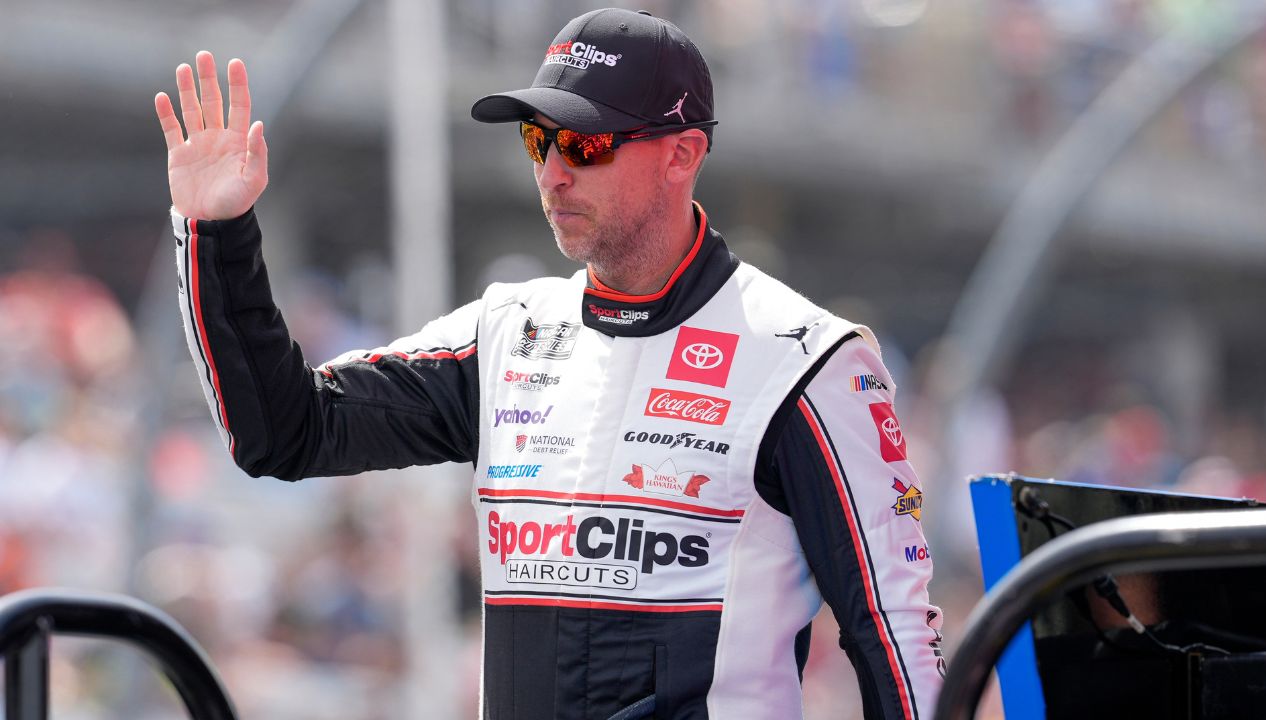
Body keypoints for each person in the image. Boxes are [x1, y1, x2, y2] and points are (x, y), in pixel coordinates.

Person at [154, 8, 944, 720]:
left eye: (587, 143)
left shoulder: (806, 359)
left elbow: (895, 633)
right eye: (539, 138)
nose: (553, 171)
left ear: (683, 154)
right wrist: (218, 234)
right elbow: (285, 432)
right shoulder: (506, 333)